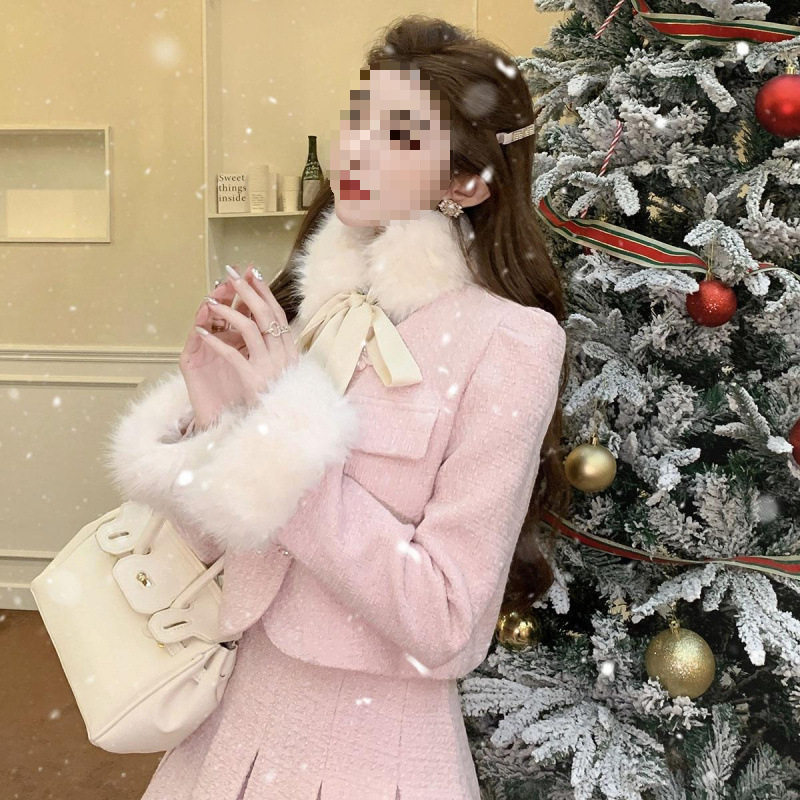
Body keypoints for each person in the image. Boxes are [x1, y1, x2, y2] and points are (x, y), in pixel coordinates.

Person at [104, 14, 569, 800]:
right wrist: (219, 426)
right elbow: (221, 559)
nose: (356, 148)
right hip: (222, 735)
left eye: (398, 134)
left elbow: (447, 621)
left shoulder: (510, 343)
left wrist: (284, 434)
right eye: (358, 119)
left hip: (373, 757)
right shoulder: (312, 310)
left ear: (466, 184)